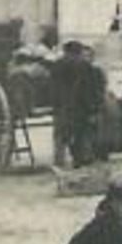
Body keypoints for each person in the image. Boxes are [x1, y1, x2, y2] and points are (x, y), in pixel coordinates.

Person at [49, 40, 105, 168]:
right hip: (79, 107)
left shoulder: (57, 65)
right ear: (78, 51)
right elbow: (88, 89)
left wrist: (55, 104)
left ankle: (59, 162)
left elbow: (52, 87)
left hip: (62, 106)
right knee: (80, 134)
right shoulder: (85, 66)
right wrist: (93, 107)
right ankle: (79, 161)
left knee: (60, 135)